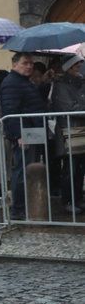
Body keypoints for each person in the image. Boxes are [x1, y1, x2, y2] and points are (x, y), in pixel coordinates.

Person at [0, 52, 48, 220]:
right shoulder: (12, 83)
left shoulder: (23, 81)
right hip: (24, 133)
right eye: (25, 63)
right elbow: (10, 111)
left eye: (31, 64)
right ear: (15, 64)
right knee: (21, 170)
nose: (29, 66)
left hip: (32, 131)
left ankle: (26, 205)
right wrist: (17, 135)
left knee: (28, 169)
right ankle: (18, 208)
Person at [49, 54, 85, 214]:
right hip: (68, 130)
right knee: (70, 168)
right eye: (77, 66)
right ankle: (67, 200)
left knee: (80, 168)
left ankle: (77, 198)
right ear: (69, 68)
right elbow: (69, 108)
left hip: (79, 130)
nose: (79, 69)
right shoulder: (60, 85)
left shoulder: (80, 83)